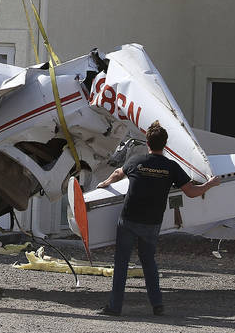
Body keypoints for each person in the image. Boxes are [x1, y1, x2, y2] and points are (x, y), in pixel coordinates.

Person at [95, 121, 221, 317]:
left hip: (129, 219)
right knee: (149, 263)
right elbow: (191, 192)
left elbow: (118, 173)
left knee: (121, 264)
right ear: (165, 145)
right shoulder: (171, 167)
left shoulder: (136, 161)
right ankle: (157, 305)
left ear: (147, 142)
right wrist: (210, 185)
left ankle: (114, 307)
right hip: (151, 223)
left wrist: (105, 183)